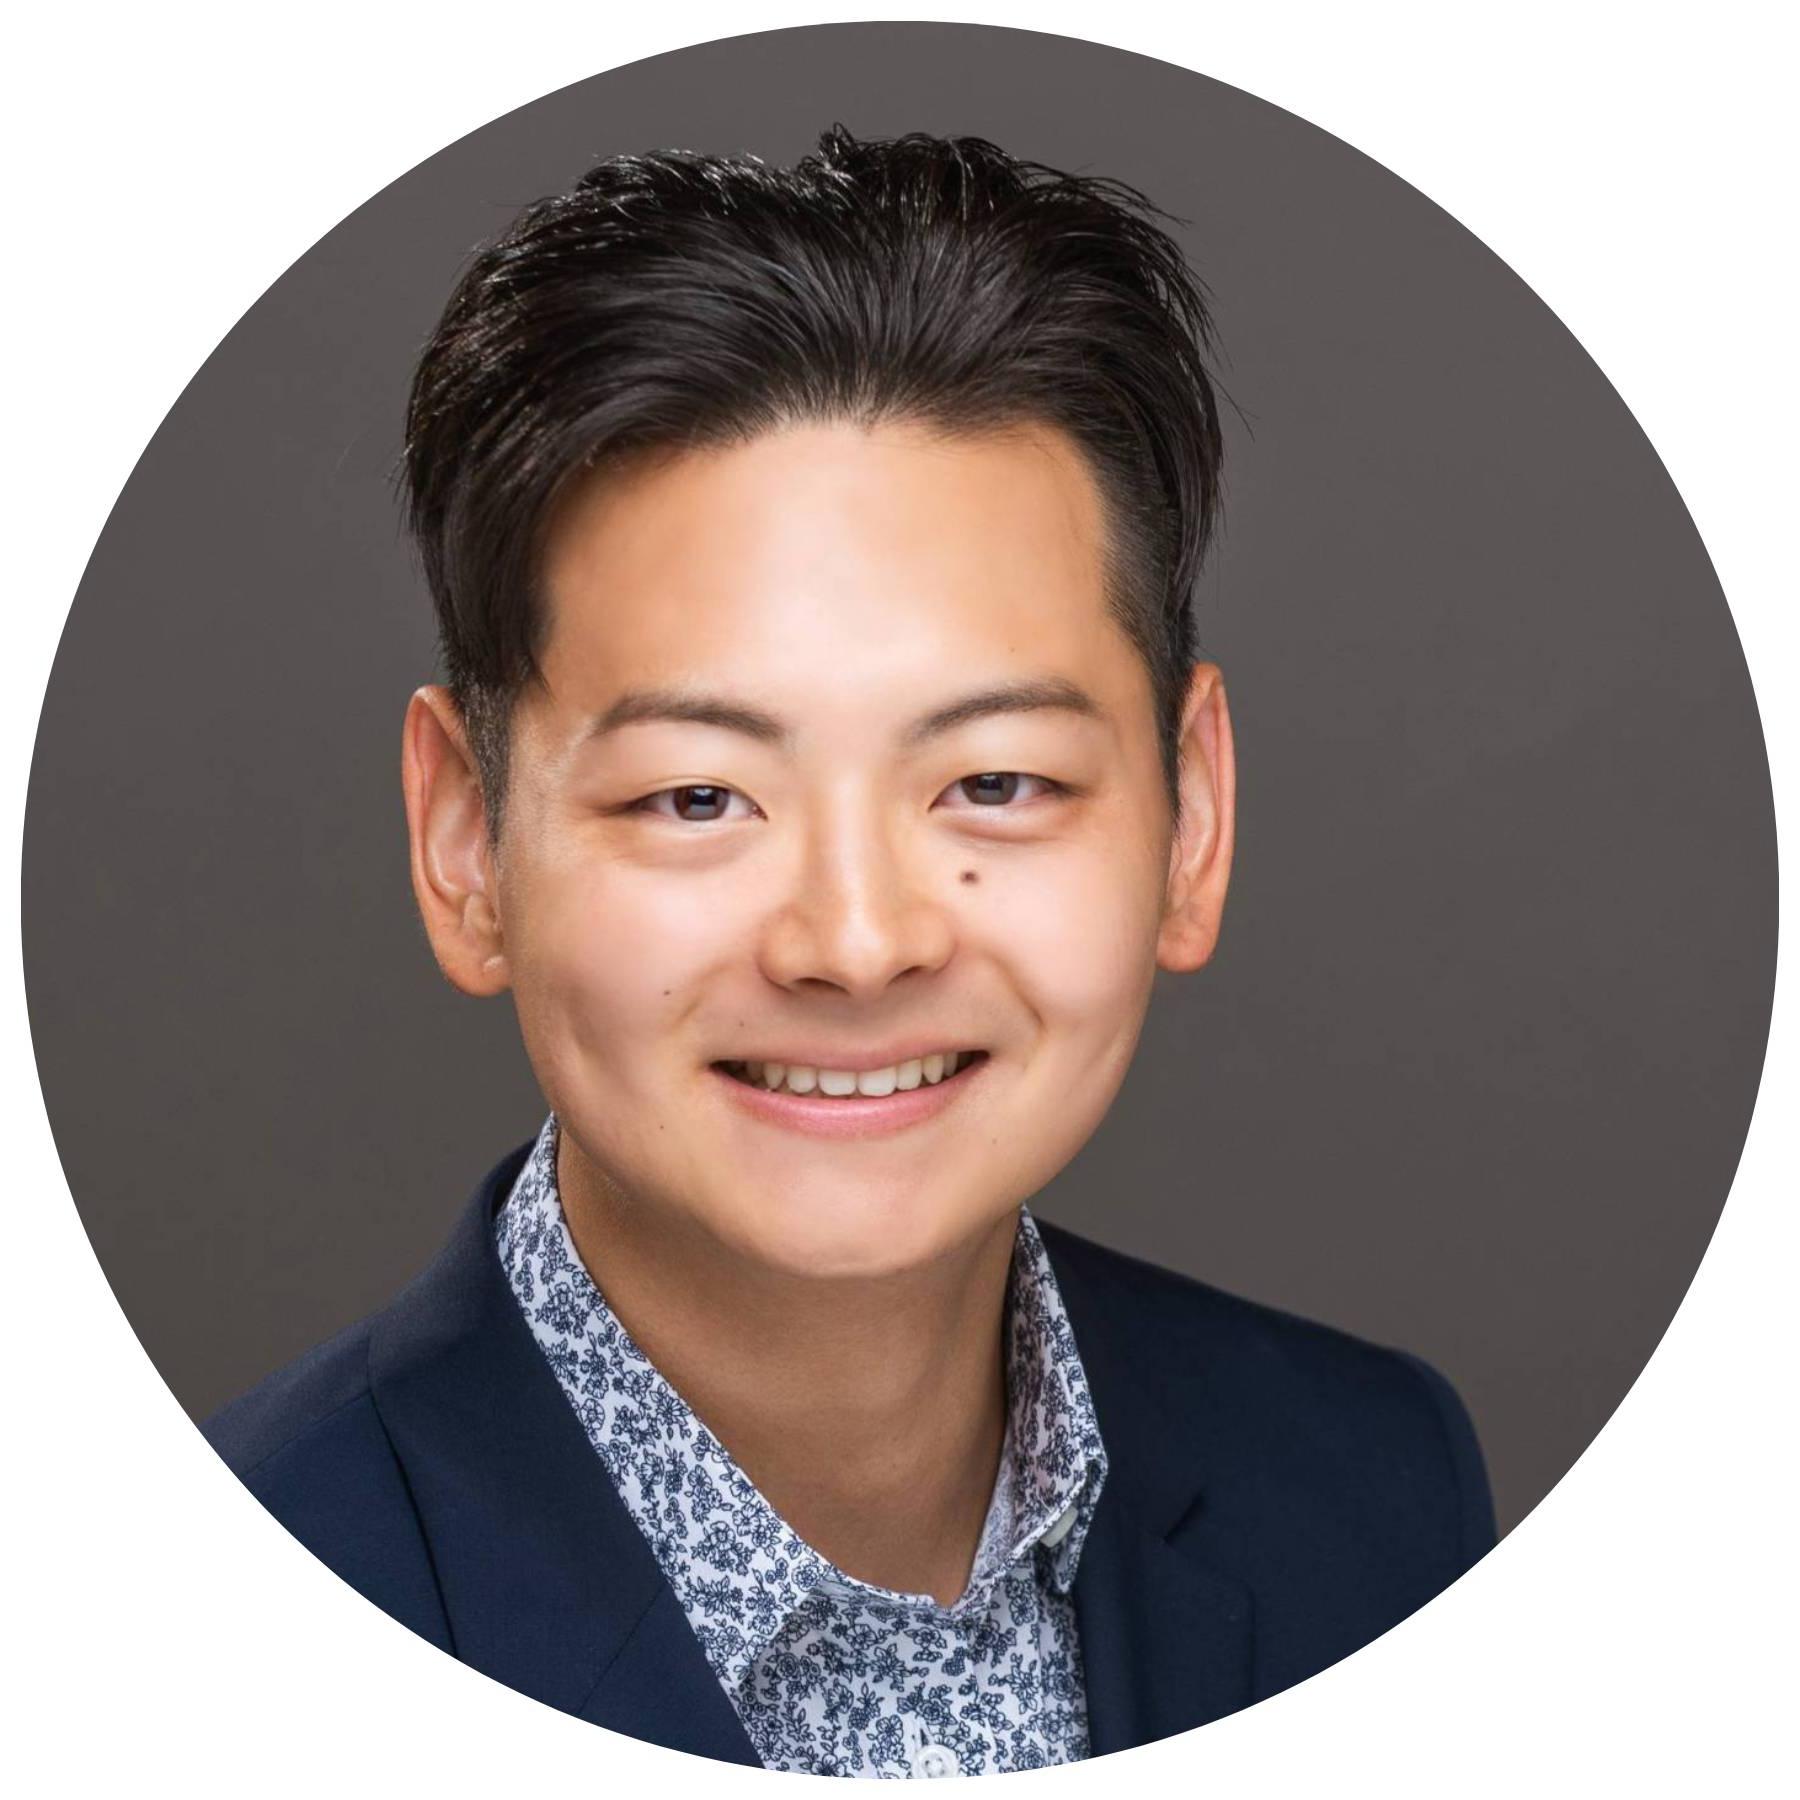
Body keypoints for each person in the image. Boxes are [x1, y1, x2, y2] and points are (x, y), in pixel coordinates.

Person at [203, 124, 1495, 1776]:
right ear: (467, 842)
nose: (859, 940)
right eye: (696, 794)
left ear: (1190, 816)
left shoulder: (1376, 1493)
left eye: (999, 781)